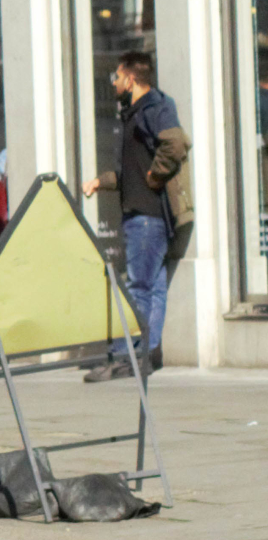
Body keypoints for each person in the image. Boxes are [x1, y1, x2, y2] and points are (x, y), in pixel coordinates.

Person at [81, 52, 192, 380]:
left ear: (130, 79)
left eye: (116, 76)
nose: (113, 83)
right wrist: (100, 182)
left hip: (147, 217)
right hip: (146, 216)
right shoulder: (135, 114)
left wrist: (154, 177)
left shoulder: (155, 107)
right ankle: (147, 355)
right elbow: (129, 171)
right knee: (153, 287)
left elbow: (176, 145)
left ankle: (123, 356)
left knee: (137, 288)